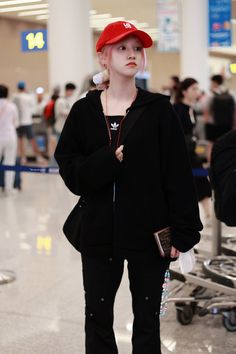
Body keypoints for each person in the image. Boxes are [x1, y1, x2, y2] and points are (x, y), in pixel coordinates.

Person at [55, 21, 202, 354]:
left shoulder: (159, 110)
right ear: (103, 58)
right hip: (97, 232)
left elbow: (177, 175)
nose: (132, 54)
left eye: (137, 48)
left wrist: (183, 232)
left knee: (148, 321)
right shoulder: (84, 111)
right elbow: (70, 170)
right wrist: (105, 161)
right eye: (122, 48)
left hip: (151, 233)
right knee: (97, 319)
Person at [173, 78, 212, 226]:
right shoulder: (177, 108)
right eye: (194, 88)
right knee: (193, 182)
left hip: (193, 152)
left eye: (197, 88)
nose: (197, 91)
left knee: (201, 180)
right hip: (182, 153)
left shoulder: (192, 109)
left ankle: (208, 215)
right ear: (184, 91)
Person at [12, 81, 47, 164]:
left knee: (20, 140)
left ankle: (23, 158)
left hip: (19, 123)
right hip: (27, 121)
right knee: (32, 140)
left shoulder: (15, 97)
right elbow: (34, 108)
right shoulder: (28, 97)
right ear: (24, 87)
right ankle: (38, 157)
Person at [203, 74, 236, 162]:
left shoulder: (211, 94)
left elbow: (206, 109)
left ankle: (211, 165)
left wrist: (206, 123)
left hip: (213, 124)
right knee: (226, 144)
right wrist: (233, 124)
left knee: (211, 145)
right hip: (227, 124)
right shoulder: (230, 93)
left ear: (214, 82)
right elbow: (234, 111)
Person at [0, 84, 19, 196]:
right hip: (10, 136)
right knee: (9, 163)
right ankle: (8, 189)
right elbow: (16, 123)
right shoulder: (12, 106)